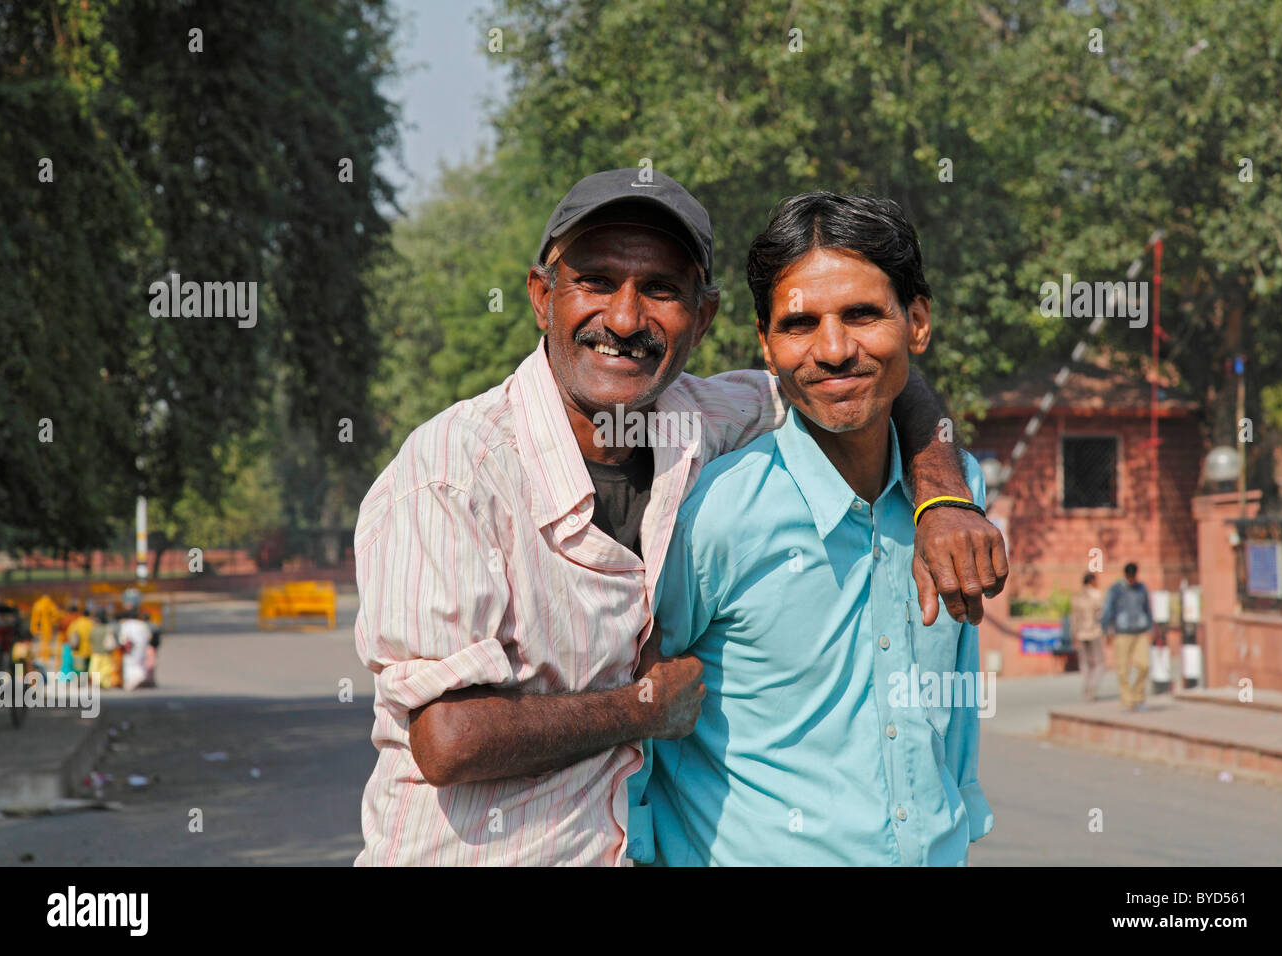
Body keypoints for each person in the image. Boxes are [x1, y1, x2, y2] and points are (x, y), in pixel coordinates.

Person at [353, 169, 1009, 866]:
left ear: (704, 317)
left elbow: (867, 376)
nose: (627, 319)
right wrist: (643, 707)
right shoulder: (453, 474)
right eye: (596, 282)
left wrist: (942, 497)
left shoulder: (706, 421)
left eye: (661, 289)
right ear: (542, 297)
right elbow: (450, 739)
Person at [627, 192, 991, 865]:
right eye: (800, 325)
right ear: (764, 343)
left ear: (917, 322)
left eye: (861, 315)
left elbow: (955, 711)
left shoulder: (956, 497)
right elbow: (642, 727)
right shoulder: (713, 516)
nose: (833, 349)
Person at [1102, 562, 1153, 712]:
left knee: (1144, 665)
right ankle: (1127, 700)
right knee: (1123, 669)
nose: (1131, 580)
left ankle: (1138, 697)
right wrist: (1107, 630)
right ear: (1125, 575)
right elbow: (1108, 609)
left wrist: (1151, 626)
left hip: (1140, 632)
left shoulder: (1141, 588)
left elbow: (1147, 609)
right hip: (1122, 633)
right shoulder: (1116, 589)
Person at [1070, 572, 1105, 701]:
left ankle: (1087, 685)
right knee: (1099, 663)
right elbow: (1101, 615)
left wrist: (1073, 634)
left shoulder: (1077, 597)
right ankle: (1093, 687)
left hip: (1080, 633)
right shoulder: (1097, 595)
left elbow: (1074, 618)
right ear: (1091, 581)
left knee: (1085, 663)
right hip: (1094, 632)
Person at [118, 609, 155, 691]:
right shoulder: (142, 624)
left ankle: (132, 681)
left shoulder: (125, 625)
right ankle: (139, 677)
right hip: (141, 647)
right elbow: (149, 636)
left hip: (130, 648)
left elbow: (122, 638)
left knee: (129, 665)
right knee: (139, 663)